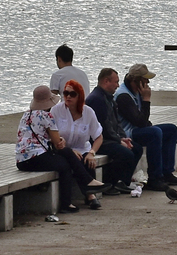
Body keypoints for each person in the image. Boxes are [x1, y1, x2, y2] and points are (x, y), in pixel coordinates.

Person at [15, 84, 91, 219]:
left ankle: (88, 182)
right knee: (64, 165)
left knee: (65, 155)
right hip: (36, 158)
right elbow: (58, 144)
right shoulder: (47, 116)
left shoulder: (26, 115)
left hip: (21, 160)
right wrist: (61, 140)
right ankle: (67, 203)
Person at [111, 63, 177, 192]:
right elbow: (140, 121)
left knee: (171, 129)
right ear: (136, 81)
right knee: (154, 133)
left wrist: (143, 99)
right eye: (145, 79)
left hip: (137, 129)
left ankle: (167, 172)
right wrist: (146, 99)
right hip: (126, 134)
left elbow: (144, 121)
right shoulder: (123, 96)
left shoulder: (135, 92)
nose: (148, 82)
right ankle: (155, 178)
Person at [50, 79, 105, 209]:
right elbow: (51, 135)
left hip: (82, 147)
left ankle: (90, 193)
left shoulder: (88, 112)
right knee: (75, 158)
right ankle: (90, 194)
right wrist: (68, 149)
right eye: (65, 93)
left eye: (72, 94)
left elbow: (98, 137)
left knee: (88, 159)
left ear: (79, 96)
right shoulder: (56, 110)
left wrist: (92, 152)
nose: (68, 97)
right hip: (62, 149)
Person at [86, 67, 141, 192]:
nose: (117, 85)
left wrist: (123, 138)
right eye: (115, 82)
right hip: (99, 140)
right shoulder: (97, 99)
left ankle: (123, 181)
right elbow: (104, 128)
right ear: (106, 81)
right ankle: (109, 183)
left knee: (135, 148)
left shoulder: (109, 97)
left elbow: (116, 123)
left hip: (110, 137)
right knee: (125, 153)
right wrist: (119, 141)